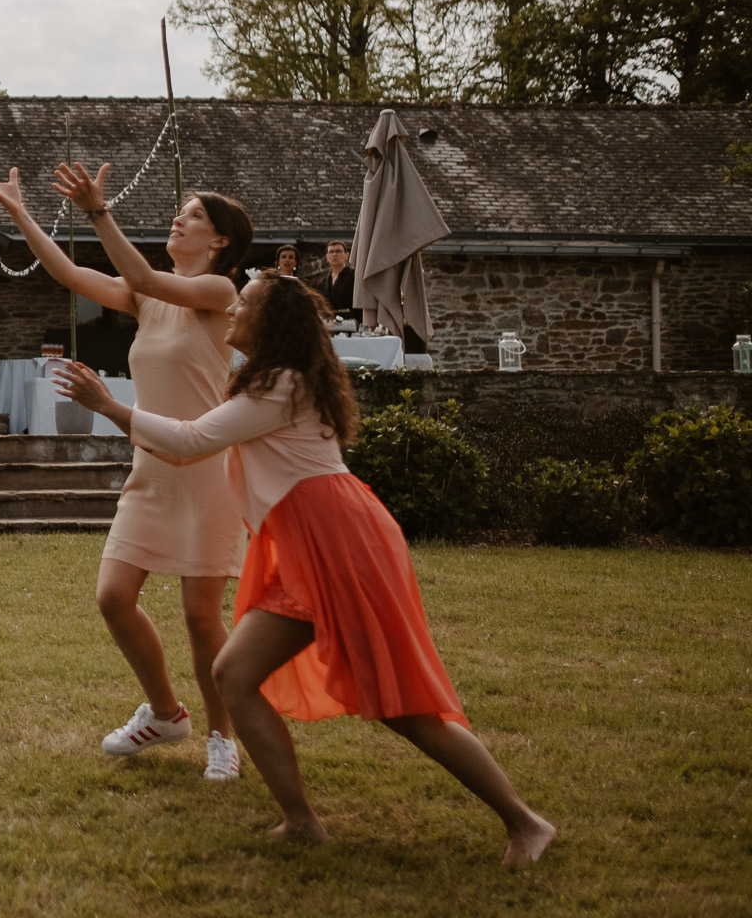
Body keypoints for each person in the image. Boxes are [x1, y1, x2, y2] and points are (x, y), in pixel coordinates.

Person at [62, 277, 557, 866]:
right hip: (306, 543)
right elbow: (185, 446)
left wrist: (109, 405)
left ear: (269, 324)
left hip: (342, 544)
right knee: (236, 674)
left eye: (245, 303)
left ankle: (526, 824)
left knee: (404, 709)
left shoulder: (283, 383)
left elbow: (191, 442)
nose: (233, 306)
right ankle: (300, 821)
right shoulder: (268, 378)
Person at [0, 160, 256, 780]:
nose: (179, 219)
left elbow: (137, 272)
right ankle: (165, 713)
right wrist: (19, 210)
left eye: (194, 215)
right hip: (149, 471)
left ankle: (222, 737)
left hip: (205, 470)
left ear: (221, 241)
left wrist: (98, 211)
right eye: (181, 211)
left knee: (202, 618)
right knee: (113, 598)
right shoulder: (147, 298)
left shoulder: (220, 293)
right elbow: (69, 272)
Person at [313, 240, 354, 317]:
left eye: (338, 251)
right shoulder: (321, 281)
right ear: (327, 257)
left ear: (346, 255)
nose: (334, 254)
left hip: (350, 321)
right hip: (328, 322)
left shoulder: (354, 276)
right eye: (331, 252)